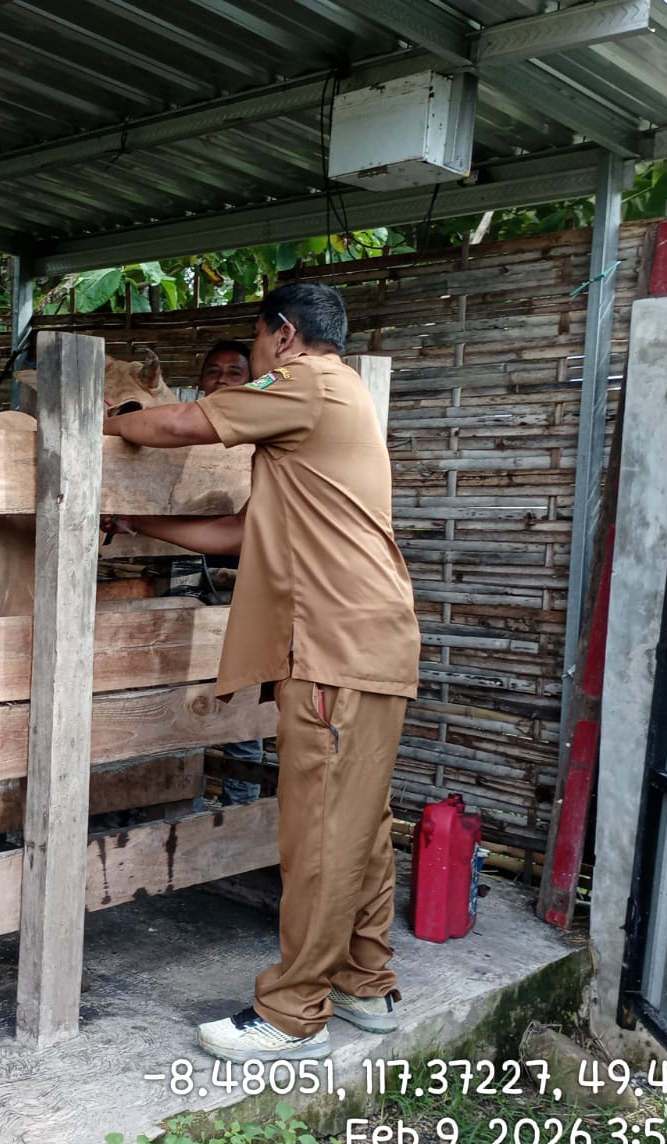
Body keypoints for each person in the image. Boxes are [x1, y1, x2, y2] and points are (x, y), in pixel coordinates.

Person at [101, 281, 419, 1063]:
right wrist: (138, 520)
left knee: (316, 832)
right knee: (360, 830)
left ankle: (292, 1013)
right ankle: (364, 983)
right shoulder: (333, 410)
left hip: (336, 649)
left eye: (254, 341)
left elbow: (179, 421)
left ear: (282, 334)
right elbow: (238, 532)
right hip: (371, 644)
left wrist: (104, 422)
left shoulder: (305, 383)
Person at [192, 341, 264, 808]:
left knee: (242, 704)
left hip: (248, 595)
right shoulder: (184, 437)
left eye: (233, 373)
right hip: (190, 592)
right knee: (184, 701)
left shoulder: (265, 438)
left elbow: (240, 530)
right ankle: (184, 798)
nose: (221, 380)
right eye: (213, 372)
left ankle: (240, 802)